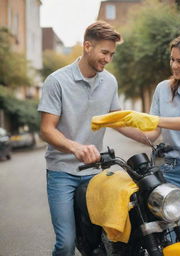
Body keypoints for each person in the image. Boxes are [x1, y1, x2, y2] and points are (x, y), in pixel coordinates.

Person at [91, 33, 180, 251]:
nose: (174, 65)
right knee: (174, 239)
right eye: (172, 59)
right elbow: (151, 135)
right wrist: (115, 122)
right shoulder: (163, 89)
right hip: (173, 172)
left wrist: (151, 119)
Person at [37, 21, 122, 256]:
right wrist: (74, 147)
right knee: (66, 243)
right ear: (87, 46)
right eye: (104, 52)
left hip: (95, 173)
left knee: (100, 241)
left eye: (112, 54)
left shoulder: (110, 81)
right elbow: (46, 129)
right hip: (61, 171)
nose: (108, 59)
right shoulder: (57, 81)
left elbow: (116, 119)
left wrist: (151, 132)